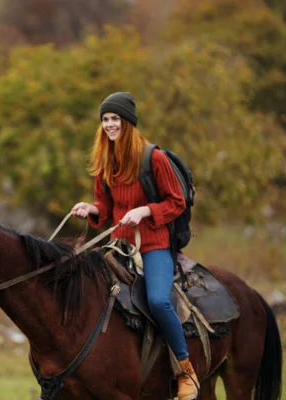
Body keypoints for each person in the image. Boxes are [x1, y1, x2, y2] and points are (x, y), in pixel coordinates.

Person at [71, 92, 198, 400]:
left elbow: (176, 202)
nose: (109, 124)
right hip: (118, 246)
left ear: (127, 122)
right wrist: (93, 209)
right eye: (105, 119)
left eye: (115, 119)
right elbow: (107, 205)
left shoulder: (153, 158)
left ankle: (185, 370)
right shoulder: (105, 161)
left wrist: (145, 211)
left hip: (154, 244)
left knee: (157, 300)